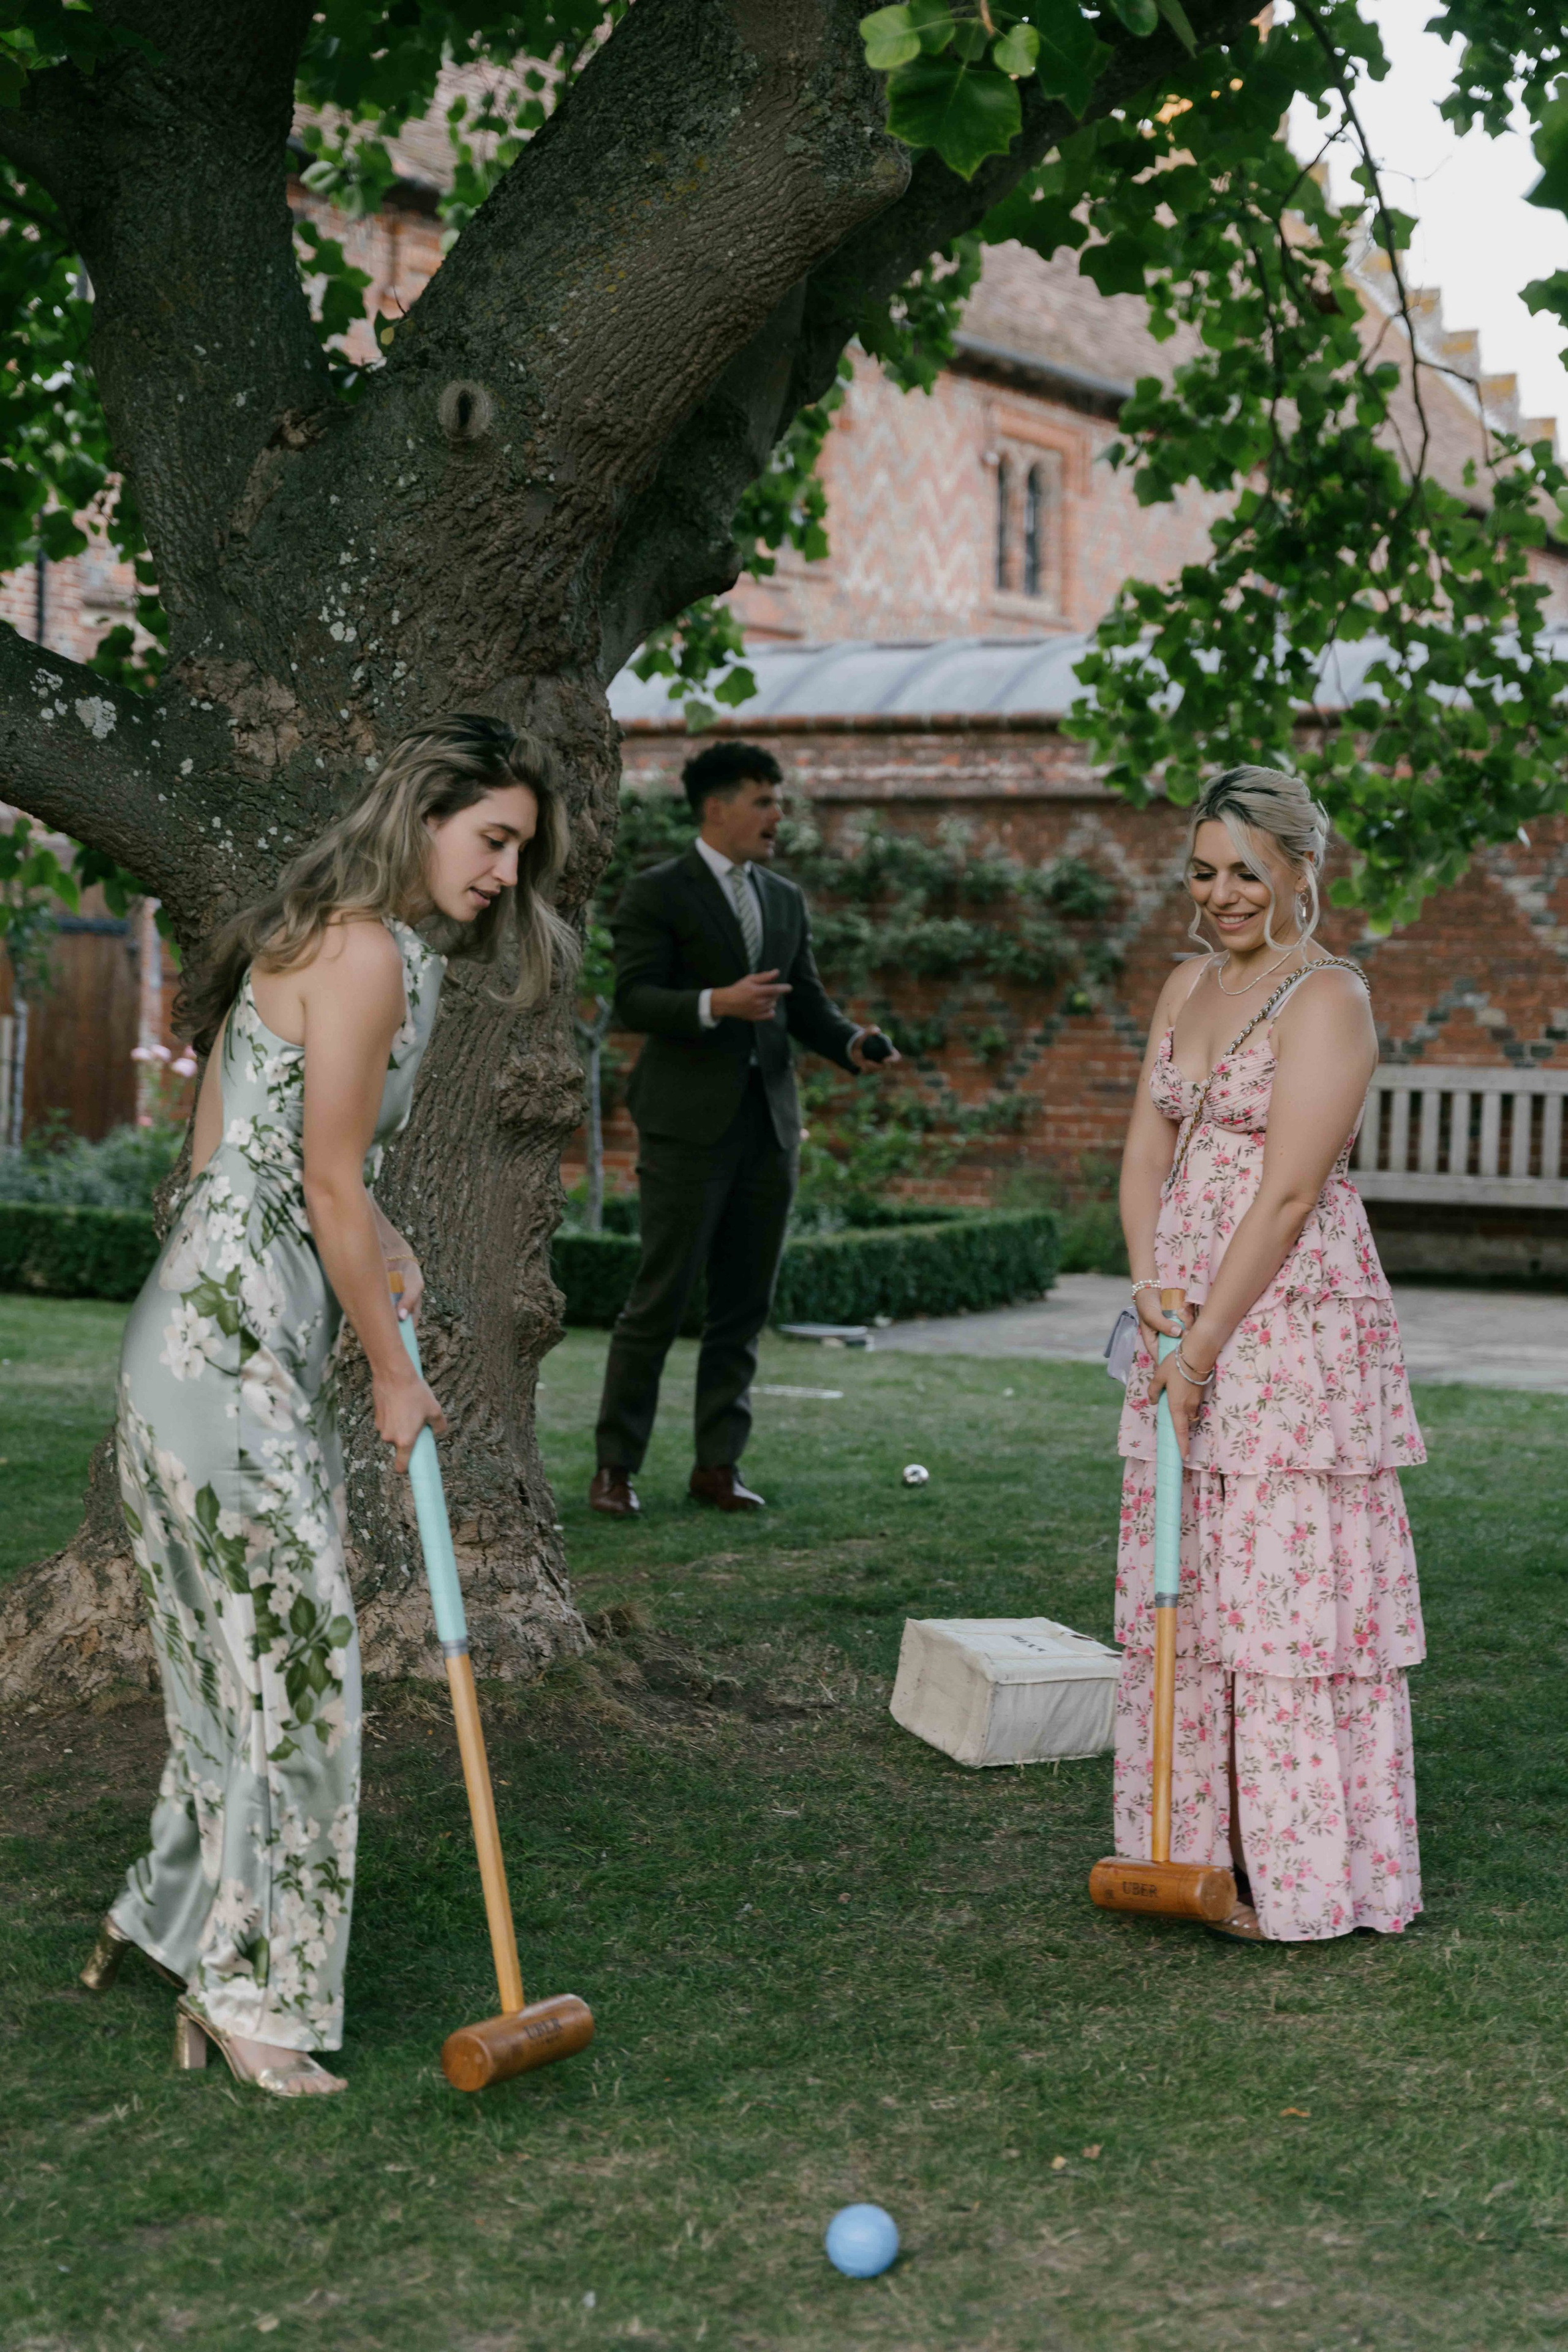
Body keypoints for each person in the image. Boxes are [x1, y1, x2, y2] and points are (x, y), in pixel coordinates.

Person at [80, 715, 575, 2094]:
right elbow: (330, 1182)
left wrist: (379, 1260)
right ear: (425, 817)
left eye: (519, 852)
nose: (504, 873)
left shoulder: (353, 941)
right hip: (226, 1355)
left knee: (233, 1663)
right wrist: (396, 1374)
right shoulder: (360, 950)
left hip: (207, 1336)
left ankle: (172, 1920)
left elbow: (256, 1153)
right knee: (298, 1669)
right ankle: (256, 1997)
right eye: (492, 840)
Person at [1114, 764, 1425, 1943]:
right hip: (1182, 1309)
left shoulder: (1328, 998)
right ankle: (1196, 1853)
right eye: (1204, 871)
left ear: (1303, 868)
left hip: (1288, 1318)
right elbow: (1146, 1150)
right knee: (1187, 1584)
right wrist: (1152, 1286)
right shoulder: (1187, 983)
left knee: (1283, 1589)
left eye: (1248, 870)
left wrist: (1202, 1347)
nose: (1222, 894)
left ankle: (1296, 1869)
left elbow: (1291, 1190)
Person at [590, 742, 899, 1516]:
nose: (777, 815)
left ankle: (716, 1469)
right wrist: (713, 1003)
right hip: (685, 1128)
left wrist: (851, 1042)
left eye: (778, 800)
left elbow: (805, 1005)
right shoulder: (657, 891)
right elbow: (633, 999)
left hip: (770, 1130)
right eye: (763, 800)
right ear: (715, 806)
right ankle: (614, 1470)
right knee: (658, 1302)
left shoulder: (785, 898)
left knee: (742, 1308)